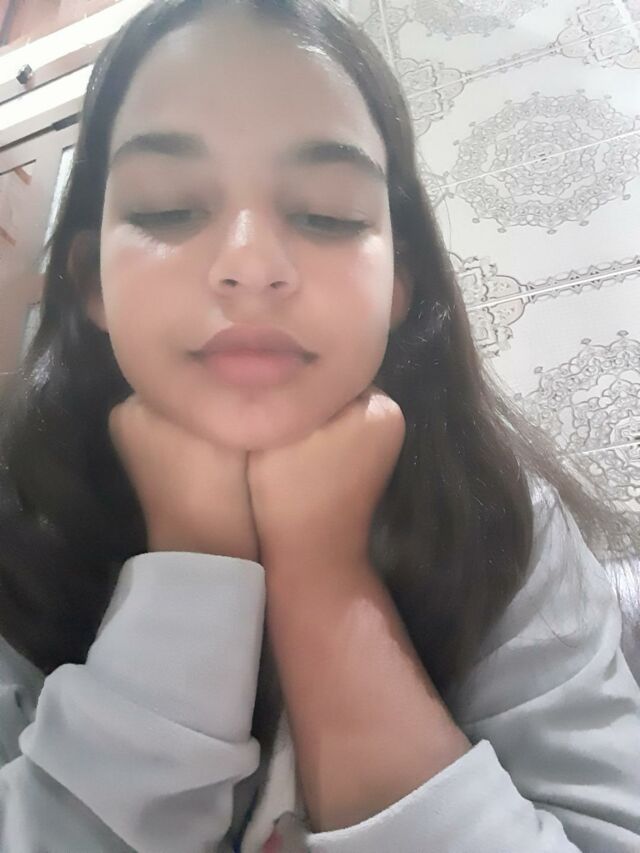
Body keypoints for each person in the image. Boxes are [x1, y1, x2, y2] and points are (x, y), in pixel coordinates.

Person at [0, 0, 638, 850]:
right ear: (91, 282)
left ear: (399, 282)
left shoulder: (500, 519)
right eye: (166, 208)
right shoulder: (17, 530)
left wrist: (326, 573)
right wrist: (193, 558)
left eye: (327, 214)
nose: (249, 264)